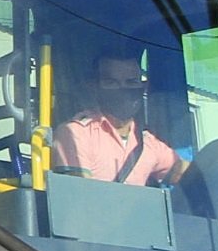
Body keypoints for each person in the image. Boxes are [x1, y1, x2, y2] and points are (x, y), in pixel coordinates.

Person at [52, 50, 190, 186]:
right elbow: (79, 196)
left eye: (131, 82)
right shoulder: (76, 134)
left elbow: (189, 174)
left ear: (144, 87)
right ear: (94, 87)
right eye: (111, 82)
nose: (123, 89)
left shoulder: (148, 142)